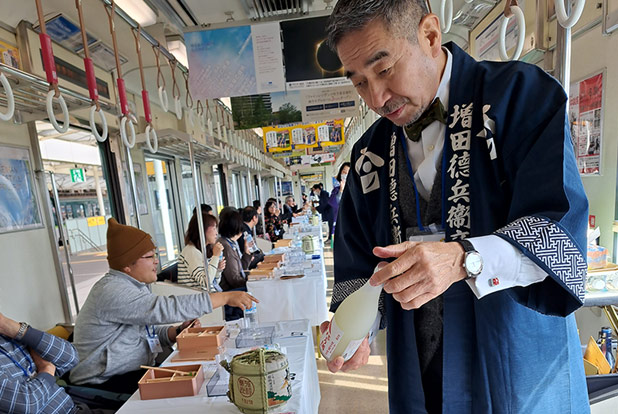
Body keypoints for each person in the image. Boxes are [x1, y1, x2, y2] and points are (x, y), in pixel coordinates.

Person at [323, 1, 589, 413]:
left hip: (514, 368)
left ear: (429, 35)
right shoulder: (368, 154)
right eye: (358, 82)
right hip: (420, 372)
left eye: (384, 68)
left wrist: (465, 259)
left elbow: (561, 240)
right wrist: (355, 328)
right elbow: (358, 268)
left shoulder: (522, 97)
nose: (376, 97)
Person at [70, 218, 256, 393]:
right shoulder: (112, 291)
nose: (156, 261)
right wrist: (224, 298)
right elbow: (165, 308)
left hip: (135, 372)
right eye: (149, 256)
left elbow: (147, 334)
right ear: (127, 265)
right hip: (104, 382)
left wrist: (176, 332)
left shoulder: (137, 287)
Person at [218, 209, 254, 321]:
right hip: (231, 294)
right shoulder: (226, 247)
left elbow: (240, 269)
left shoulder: (231, 244)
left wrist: (247, 253)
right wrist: (252, 282)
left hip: (237, 287)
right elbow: (233, 279)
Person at [178, 211, 226, 291]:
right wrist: (215, 257)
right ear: (202, 229)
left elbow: (214, 282)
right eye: (214, 228)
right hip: (200, 300)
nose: (216, 233)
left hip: (209, 297)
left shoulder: (203, 250)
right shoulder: (191, 251)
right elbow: (205, 282)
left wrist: (217, 270)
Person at [328, 162, 351, 239]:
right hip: (339, 222)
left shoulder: (356, 190)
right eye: (344, 172)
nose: (345, 174)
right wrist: (341, 191)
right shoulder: (336, 190)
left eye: (348, 172)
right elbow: (333, 203)